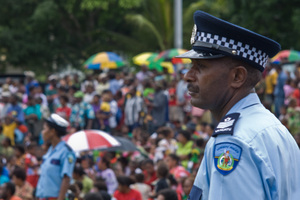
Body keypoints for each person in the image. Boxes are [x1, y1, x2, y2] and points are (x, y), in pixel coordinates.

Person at [176, 10, 300, 199]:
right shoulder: (270, 127)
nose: (188, 75)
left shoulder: (233, 142)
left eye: (200, 67)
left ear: (237, 77)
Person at [35, 113, 76, 200]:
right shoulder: (50, 151)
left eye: (45, 129)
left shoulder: (66, 151)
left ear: (53, 131)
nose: (42, 132)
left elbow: (66, 178)